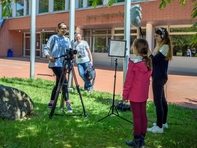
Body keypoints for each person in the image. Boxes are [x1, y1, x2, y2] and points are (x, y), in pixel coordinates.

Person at [122, 38, 152, 147]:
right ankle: (142, 139)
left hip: (135, 94)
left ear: (135, 48)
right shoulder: (148, 61)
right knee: (143, 115)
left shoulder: (134, 63)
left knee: (137, 117)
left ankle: (136, 140)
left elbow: (128, 81)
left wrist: (125, 95)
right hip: (143, 93)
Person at [147, 27, 173, 133]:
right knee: (162, 100)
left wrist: (147, 51)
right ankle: (163, 122)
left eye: (157, 36)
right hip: (159, 76)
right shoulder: (161, 46)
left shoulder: (165, 47)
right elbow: (154, 57)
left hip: (159, 77)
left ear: (162, 36)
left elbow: (154, 59)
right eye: (154, 36)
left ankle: (159, 127)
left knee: (158, 101)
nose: (155, 38)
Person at [43, 22, 72, 113]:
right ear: (58, 29)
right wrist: (49, 57)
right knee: (64, 82)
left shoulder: (67, 40)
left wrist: (70, 61)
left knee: (58, 84)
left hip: (64, 64)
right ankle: (68, 104)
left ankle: (51, 103)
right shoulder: (53, 38)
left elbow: (69, 52)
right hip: (55, 64)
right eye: (62, 28)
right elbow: (46, 49)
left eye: (65, 28)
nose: (64, 30)